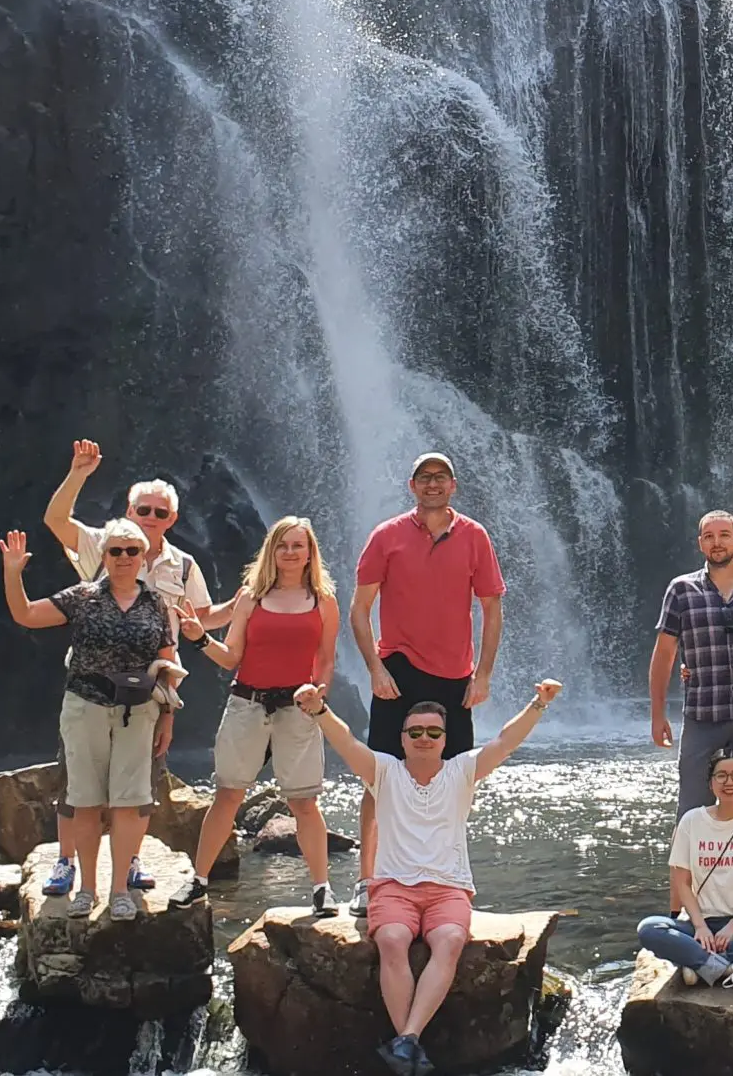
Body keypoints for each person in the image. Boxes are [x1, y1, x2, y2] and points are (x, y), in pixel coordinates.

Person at [295, 677, 562, 1076]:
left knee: (451, 940)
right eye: (415, 731)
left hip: (448, 887)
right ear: (402, 738)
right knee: (392, 938)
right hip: (392, 887)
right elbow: (347, 741)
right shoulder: (383, 771)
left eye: (433, 732)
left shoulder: (462, 771)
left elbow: (505, 741)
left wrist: (538, 704)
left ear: (444, 738)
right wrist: (319, 710)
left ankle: (406, 1039)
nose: (424, 737)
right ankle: (409, 1043)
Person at [42, 440, 218, 898]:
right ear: (129, 508)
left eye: (160, 513)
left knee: (142, 784)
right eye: (144, 509)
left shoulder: (183, 566)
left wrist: (244, 605)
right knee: (76, 779)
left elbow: (200, 618)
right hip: (90, 684)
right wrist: (79, 473)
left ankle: (131, 860)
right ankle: (65, 862)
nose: (151, 518)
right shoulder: (105, 544)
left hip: (153, 690)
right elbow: (56, 522)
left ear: (172, 519)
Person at [0, 523, 185, 921]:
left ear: (142, 555)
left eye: (132, 551)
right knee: (84, 801)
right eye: (115, 550)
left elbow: (168, 663)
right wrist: (13, 573)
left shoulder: (156, 603)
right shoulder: (83, 597)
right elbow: (26, 614)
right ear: (103, 554)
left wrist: (168, 717)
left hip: (139, 712)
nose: (123, 558)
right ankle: (87, 889)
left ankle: (120, 889)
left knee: (128, 802)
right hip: (86, 705)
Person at [353, 452, 506, 911]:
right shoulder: (387, 536)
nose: (433, 485)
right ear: (412, 485)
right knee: (378, 777)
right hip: (397, 670)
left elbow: (492, 608)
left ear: (453, 486)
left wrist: (483, 675)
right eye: (425, 478)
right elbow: (359, 610)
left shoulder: (475, 536)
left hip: (456, 677)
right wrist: (375, 669)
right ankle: (367, 880)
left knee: (457, 783)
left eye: (441, 478)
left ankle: (450, 876)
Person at [174, 516, 340, 913]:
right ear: (272, 550)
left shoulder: (325, 601)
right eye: (282, 545)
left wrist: (319, 693)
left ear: (309, 552)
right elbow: (231, 656)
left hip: (297, 710)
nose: (289, 552)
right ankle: (198, 881)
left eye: (298, 545)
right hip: (247, 704)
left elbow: (326, 659)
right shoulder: (251, 596)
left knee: (304, 802)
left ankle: (322, 890)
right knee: (228, 795)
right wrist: (199, 639)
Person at [648, 511, 733, 813]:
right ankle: (687, 862)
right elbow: (664, 654)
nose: (717, 542)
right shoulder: (681, 590)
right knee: (692, 808)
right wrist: (657, 714)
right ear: (700, 544)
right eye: (709, 537)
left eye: (724, 535)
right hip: (702, 715)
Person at [637, 747, 733, 989]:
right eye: (721, 775)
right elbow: (682, 883)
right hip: (700, 924)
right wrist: (699, 926)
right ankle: (729, 966)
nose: (729, 782)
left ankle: (699, 963)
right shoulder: (691, 821)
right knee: (649, 928)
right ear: (710, 783)